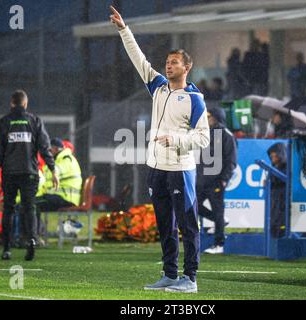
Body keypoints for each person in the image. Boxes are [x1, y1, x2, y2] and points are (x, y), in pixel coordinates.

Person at [110, 6, 210, 293]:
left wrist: (177, 141)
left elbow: (203, 138)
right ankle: (169, 274)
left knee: (188, 225)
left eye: (174, 62)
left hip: (181, 170)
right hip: (156, 169)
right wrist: (124, 30)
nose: (168, 66)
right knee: (165, 225)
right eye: (167, 62)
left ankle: (190, 278)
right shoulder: (158, 87)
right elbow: (137, 58)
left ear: (186, 67)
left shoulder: (194, 99)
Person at [0, 89, 59, 261]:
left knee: (8, 209)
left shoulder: (4, 122)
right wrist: (53, 169)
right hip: (29, 172)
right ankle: (31, 243)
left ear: (11, 104)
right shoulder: (35, 121)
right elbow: (45, 147)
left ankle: (6, 249)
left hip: (9, 173)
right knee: (29, 208)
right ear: (25, 104)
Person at [197, 107, 237, 254]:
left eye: (209, 116)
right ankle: (218, 220)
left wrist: (224, 179)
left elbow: (231, 160)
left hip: (216, 181)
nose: (207, 119)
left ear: (216, 117)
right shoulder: (205, 133)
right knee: (193, 204)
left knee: (218, 210)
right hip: (202, 180)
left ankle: (219, 244)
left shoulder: (226, 135)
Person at [36, 138, 82, 236]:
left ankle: (36, 234)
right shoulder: (62, 159)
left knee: (31, 205)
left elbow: (52, 174)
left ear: (56, 149)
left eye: (50, 150)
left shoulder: (66, 159)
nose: (48, 153)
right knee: (31, 204)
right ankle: (38, 233)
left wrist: (38, 172)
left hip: (65, 198)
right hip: (60, 197)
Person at [267, 143, 287, 238]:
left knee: (281, 221)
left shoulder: (288, 167)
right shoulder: (273, 168)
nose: (272, 157)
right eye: (271, 156)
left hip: (283, 201)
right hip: (275, 201)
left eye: (274, 155)